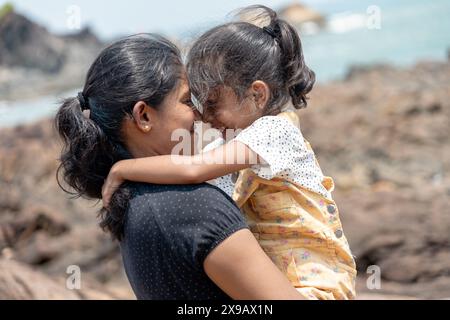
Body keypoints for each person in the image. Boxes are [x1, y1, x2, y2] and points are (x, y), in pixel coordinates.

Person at [102, 6, 357, 299]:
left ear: (257, 94)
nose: (204, 116)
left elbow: (193, 169)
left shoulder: (276, 131)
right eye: (195, 102)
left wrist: (123, 169)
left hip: (320, 287)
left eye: (212, 103)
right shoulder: (235, 143)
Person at [54, 34, 306, 300]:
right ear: (144, 116)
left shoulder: (133, 205)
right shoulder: (194, 208)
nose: (200, 116)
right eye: (187, 101)